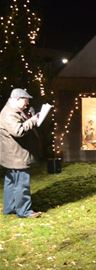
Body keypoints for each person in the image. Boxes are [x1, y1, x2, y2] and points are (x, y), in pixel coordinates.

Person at [0, 88, 42, 218]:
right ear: (17, 99)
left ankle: (9, 207)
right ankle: (25, 211)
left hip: (11, 155)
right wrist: (34, 120)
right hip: (16, 156)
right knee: (21, 184)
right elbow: (18, 131)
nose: (27, 104)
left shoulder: (14, 110)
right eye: (25, 100)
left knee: (11, 182)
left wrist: (29, 116)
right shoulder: (8, 114)